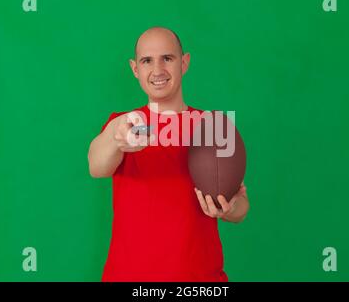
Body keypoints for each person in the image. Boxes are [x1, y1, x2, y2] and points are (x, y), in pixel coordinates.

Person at [88, 27, 250, 282]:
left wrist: (227, 208)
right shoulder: (125, 124)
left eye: (167, 58)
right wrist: (115, 137)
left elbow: (241, 208)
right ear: (135, 69)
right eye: (147, 61)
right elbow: (96, 166)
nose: (158, 70)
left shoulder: (213, 127)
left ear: (184, 63)